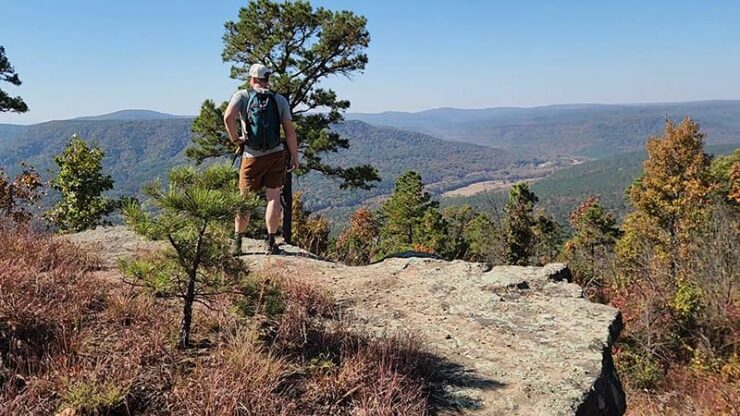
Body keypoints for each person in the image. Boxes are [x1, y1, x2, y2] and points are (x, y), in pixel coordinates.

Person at [223, 63, 299, 255]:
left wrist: (235, 139)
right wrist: (294, 156)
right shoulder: (279, 99)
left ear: (252, 79)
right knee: (273, 197)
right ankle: (271, 241)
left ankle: (238, 243)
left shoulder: (242, 96)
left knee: (245, 200)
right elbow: (289, 132)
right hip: (276, 154)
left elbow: (227, 117)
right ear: (267, 78)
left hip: (251, 155)